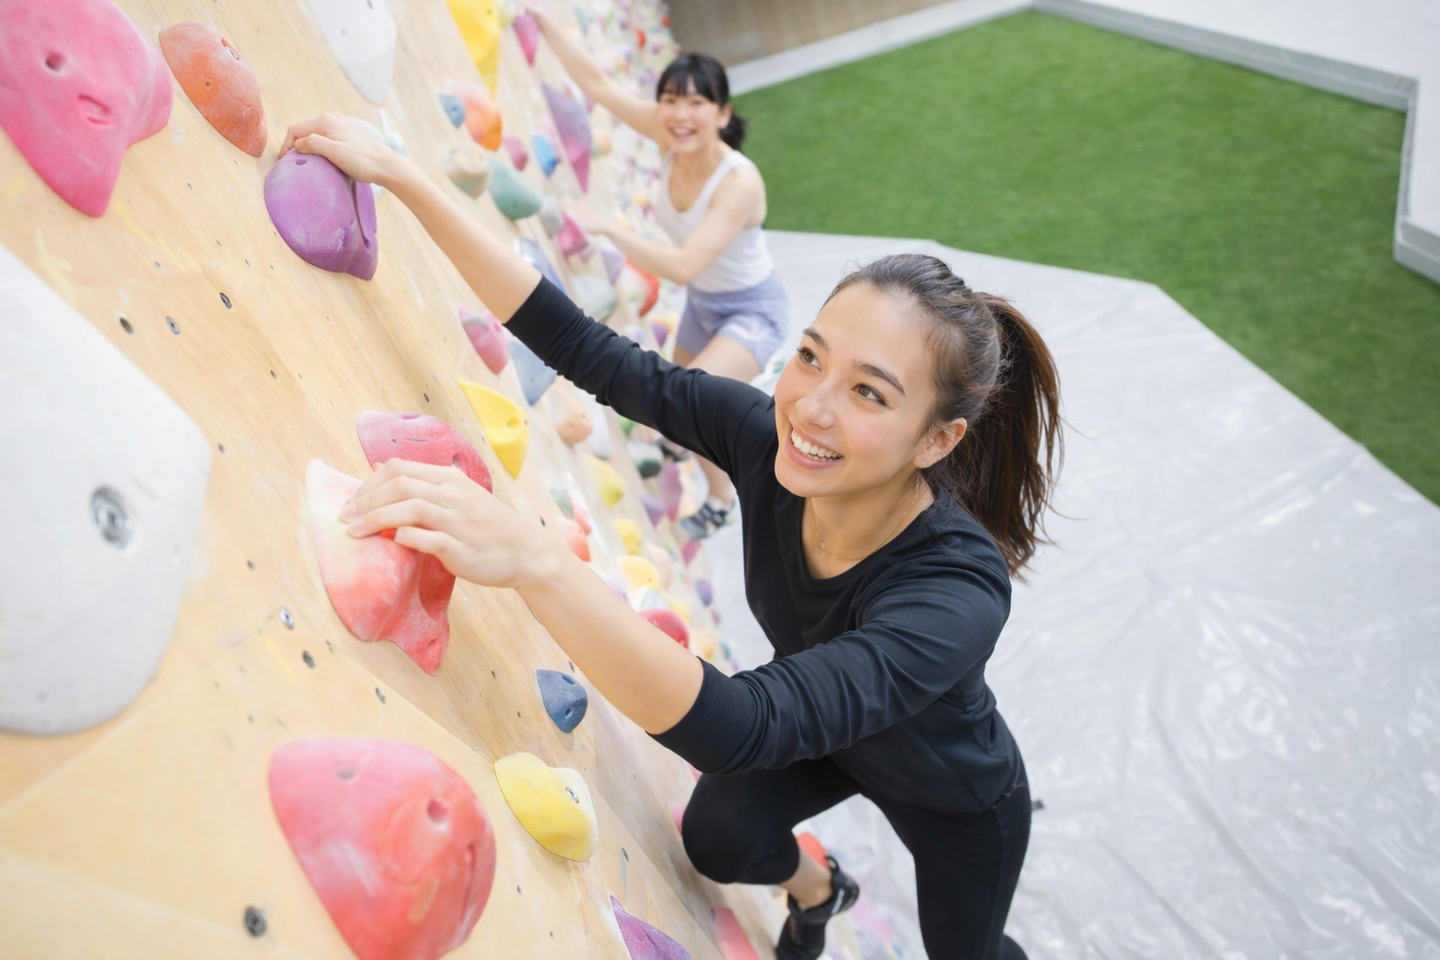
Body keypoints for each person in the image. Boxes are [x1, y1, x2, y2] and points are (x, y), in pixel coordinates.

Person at [281, 111, 1060, 960]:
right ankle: (821, 890)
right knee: (717, 839)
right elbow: (590, 349)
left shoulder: (959, 591)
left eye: (870, 394)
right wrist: (405, 178)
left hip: (952, 797)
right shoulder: (766, 435)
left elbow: (743, 724)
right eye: (809, 357)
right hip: (829, 738)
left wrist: (537, 561)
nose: (813, 407)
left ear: (938, 439)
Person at [531, 7, 789, 541]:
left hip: (751, 309)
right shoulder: (669, 133)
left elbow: (683, 264)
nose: (680, 113)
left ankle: (748, 470)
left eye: (696, 102)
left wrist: (606, 228)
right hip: (704, 305)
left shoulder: (737, 181)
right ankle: (719, 496)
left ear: (722, 113)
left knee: (691, 405)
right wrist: (538, 19)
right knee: (682, 412)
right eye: (670, 100)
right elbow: (598, 84)